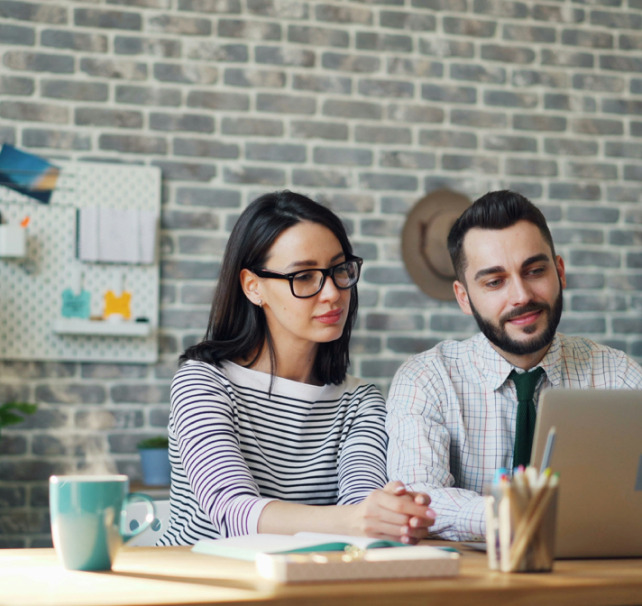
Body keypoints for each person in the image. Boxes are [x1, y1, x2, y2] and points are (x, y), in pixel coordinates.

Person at [159, 190, 436, 546]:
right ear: (253, 286)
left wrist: (386, 515)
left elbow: (360, 507)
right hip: (199, 585)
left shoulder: (360, 400)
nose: (333, 293)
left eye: (339, 270)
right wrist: (358, 519)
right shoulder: (203, 381)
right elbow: (232, 511)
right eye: (304, 276)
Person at [386, 190, 642, 542]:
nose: (521, 295)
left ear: (560, 272)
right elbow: (420, 499)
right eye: (495, 281)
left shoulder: (619, 374)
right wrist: (518, 515)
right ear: (464, 297)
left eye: (535, 270)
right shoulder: (427, 380)